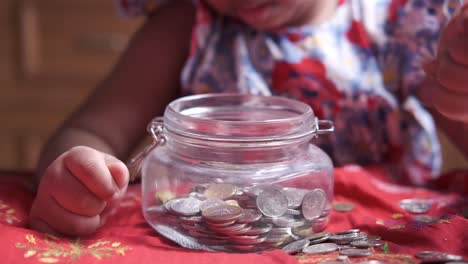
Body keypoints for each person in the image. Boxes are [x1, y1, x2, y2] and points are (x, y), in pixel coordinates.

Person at [29, 0, 468, 236]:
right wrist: (77, 176)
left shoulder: (403, 21)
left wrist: (460, 94)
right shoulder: (185, 23)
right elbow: (92, 130)